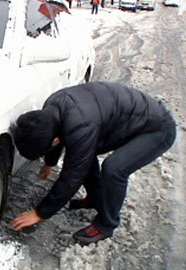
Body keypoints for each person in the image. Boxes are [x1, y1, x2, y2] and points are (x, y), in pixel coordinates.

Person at [9, 82, 176, 245]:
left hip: (157, 128)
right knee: (84, 156)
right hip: (129, 117)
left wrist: (40, 213)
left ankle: (106, 224)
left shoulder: (80, 125)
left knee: (114, 169)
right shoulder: (52, 108)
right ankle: (95, 200)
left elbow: (72, 176)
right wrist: (49, 162)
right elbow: (56, 135)